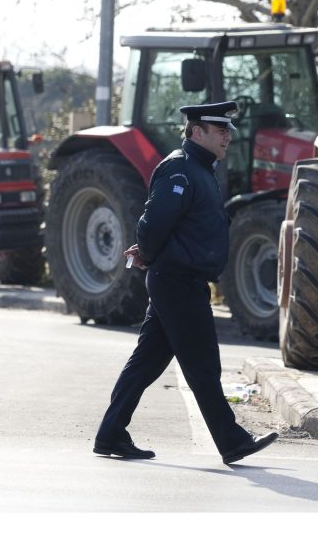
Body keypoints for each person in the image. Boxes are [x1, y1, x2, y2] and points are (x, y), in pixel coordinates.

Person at [92, 100, 278, 464]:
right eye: (219, 128)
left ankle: (111, 433)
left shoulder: (200, 169)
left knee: (145, 364)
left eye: (228, 129)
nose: (227, 135)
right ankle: (232, 441)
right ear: (196, 131)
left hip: (179, 280)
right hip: (177, 281)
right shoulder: (179, 169)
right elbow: (153, 223)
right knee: (203, 364)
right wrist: (147, 252)